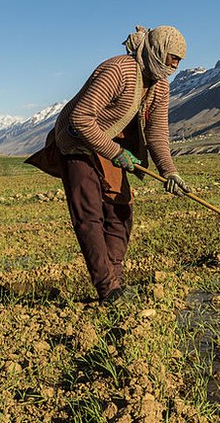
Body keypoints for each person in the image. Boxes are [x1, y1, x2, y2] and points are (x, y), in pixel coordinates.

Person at [26, 25, 191, 302]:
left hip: (109, 146)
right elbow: (80, 119)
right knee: (89, 217)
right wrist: (115, 152)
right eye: (172, 56)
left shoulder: (160, 86)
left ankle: (115, 281)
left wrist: (170, 171)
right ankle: (108, 289)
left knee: (120, 213)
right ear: (156, 49)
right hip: (77, 142)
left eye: (179, 60)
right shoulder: (119, 70)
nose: (175, 64)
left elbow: (157, 133)